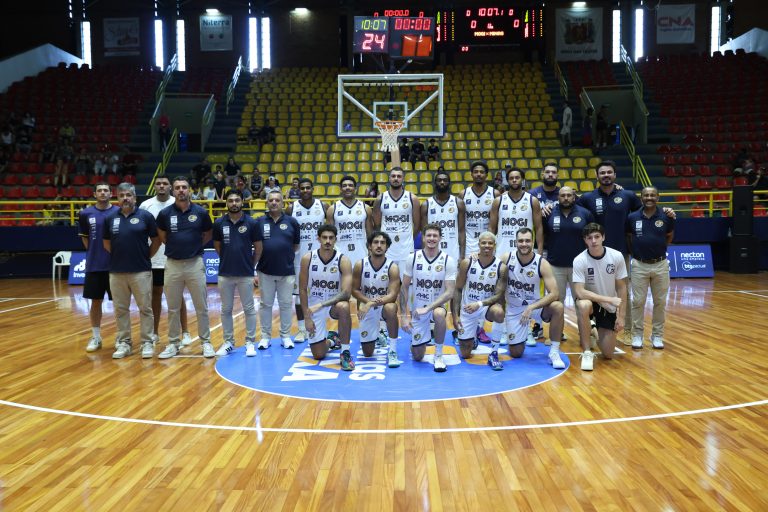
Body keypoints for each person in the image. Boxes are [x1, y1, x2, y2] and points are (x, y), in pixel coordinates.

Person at [577, 160, 642, 341]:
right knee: (591, 292)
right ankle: (590, 328)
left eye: (609, 172)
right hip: (593, 254)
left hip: (620, 253)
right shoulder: (587, 198)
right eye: (602, 173)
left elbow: (644, 213)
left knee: (623, 291)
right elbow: (573, 210)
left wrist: (667, 211)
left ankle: (626, 329)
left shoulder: (627, 196)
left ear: (615, 175)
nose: (606, 175)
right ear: (597, 176)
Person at [155, 176, 214, 359]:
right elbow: (162, 236)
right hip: (173, 264)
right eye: (177, 187)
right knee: (173, 308)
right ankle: (173, 343)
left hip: (195, 264)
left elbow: (208, 233)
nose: (181, 190)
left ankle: (206, 343)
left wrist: (193, 247)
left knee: (201, 307)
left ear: (189, 190)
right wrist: (177, 247)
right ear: (173, 191)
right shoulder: (165, 214)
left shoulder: (201, 212)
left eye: (184, 187)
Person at [102, 183, 160, 359]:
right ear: (117, 198)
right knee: (120, 310)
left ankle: (147, 342)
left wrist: (144, 256)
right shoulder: (110, 218)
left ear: (135, 197)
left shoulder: (146, 216)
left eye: (128, 195)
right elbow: (106, 243)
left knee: (145, 308)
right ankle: (124, 343)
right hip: (116, 272)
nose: (125, 198)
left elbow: (156, 240)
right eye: (121, 195)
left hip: (141, 271)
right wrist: (120, 256)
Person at [139, 175, 192, 347]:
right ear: (154, 186)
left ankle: (185, 332)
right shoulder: (145, 205)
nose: (161, 186)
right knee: (154, 295)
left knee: (178, 297)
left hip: (174, 258)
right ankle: (154, 333)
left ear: (170, 187)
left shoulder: (177, 204)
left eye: (165, 183)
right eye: (158, 183)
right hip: (154, 260)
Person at [501, 228, 566, 368]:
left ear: (532, 242)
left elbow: (555, 293)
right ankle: (523, 332)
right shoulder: (507, 258)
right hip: (514, 308)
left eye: (527, 241)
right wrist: (476, 256)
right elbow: (489, 265)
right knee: (516, 353)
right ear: (516, 242)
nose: (524, 244)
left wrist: (532, 307)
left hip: (535, 307)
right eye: (521, 241)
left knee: (558, 307)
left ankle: (554, 352)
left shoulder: (541, 262)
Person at [401, 223, 457, 372]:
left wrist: (428, 308)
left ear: (440, 238)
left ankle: (438, 355)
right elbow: (404, 287)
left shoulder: (448, 260)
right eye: (429, 235)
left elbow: (450, 292)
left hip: (436, 306)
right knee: (417, 356)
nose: (432, 238)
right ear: (423, 238)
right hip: (417, 309)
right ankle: (419, 340)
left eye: (435, 236)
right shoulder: (413, 258)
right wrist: (404, 316)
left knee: (439, 314)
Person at [572, 223, 628, 371]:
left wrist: (621, 317)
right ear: (585, 240)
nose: (594, 241)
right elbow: (579, 292)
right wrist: (609, 299)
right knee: (583, 305)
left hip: (607, 308)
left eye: (597, 236)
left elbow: (622, 287)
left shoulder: (616, 256)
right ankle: (587, 352)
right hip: (590, 302)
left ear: (603, 237)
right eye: (589, 238)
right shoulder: (579, 260)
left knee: (608, 354)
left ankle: (593, 328)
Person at [299, 224, 354, 370]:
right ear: (318, 239)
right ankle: (332, 340)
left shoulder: (343, 260)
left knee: (344, 306)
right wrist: (306, 317)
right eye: (324, 237)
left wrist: (322, 304)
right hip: (314, 307)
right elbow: (302, 289)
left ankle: (345, 352)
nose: (328, 241)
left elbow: (346, 293)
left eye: (331, 238)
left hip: (332, 305)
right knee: (319, 354)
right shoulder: (307, 258)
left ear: (336, 239)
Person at [626, 187, 674, 349]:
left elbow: (669, 235)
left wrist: (659, 248)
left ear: (658, 198)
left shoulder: (667, 216)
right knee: (638, 301)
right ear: (641, 198)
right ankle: (637, 335)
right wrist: (636, 253)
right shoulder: (632, 217)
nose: (649, 198)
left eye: (652, 195)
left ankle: (657, 335)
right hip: (639, 264)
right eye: (646, 195)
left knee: (660, 302)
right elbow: (629, 237)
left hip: (660, 264)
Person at [213, 189, 259, 356]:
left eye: (237, 200)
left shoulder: (252, 222)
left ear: (242, 202)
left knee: (249, 309)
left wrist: (251, 264)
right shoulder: (219, 222)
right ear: (226, 202)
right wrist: (228, 259)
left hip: (245, 273)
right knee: (226, 309)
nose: (234, 203)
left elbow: (258, 247)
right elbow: (218, 247)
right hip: (225, 273)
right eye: (231, 200)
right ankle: (228, 342)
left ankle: (250, 342)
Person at [254, 190, 301, 352]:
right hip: (265, 271)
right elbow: (256, 246)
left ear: (283, 203)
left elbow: (296, 246)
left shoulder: (292, 222)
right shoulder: (259, 222)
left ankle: (285, 336)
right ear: (267, 203)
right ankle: (265, 337)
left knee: (286, 305)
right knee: (265, 305)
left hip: (286, 271)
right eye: (271, 200)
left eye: (277, 200)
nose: (274, 202)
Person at [451, 232, 507, 368]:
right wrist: (455, 316)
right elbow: (457, 289)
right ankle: (473, 336)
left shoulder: (501, 267)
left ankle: (494, 353)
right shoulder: (467, 263)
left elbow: (499, 295)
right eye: (484, 243)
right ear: (479, 244)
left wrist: (479, 304)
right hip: (468, 308)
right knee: (465, 353)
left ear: (495, 245)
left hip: (486, 307)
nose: (487, 246)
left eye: (490, 243)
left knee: (499, 312)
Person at [372, 148, 420, 307]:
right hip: (388, 250)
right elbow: (377, 225)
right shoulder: (380, 199)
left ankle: (406, 313)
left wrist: (408, 239)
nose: (396, 178)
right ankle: (386, 315)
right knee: (386, 284)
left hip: (406, 249)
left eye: (399, 176)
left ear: (403, 179)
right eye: (393, 176)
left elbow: (417, 225)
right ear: (389, 178)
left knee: (407, 284)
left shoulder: (412, 198)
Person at [286, 178, 328, 343]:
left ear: (313, 189)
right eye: (302, 188)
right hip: (299, 258)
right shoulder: (291, 208)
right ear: (298, 190)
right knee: (299, 296)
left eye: (307, 188)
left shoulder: (323, 206)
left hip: (321, 258)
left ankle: (323, 327)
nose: (305, 191)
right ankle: (302, 329)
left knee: (322, 294)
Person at [351, 231, 402, 368]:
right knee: (367, 353)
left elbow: (392, 295)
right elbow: (354, 290)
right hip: (367, 306)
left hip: (383, 306)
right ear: (369, 246)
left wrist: (370, 303)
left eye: (382, 243)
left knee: (391, 307)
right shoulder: (360, 265)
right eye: (375, 242)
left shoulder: (392, 267)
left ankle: (392, 350)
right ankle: (379, 334)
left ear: (387, 247)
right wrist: (368, 303)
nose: (379, 245)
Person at [79, 183, 119, 352]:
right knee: (96, 302)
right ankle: (96, 337)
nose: (103, 193)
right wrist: (95, 253)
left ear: (111, 193)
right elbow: (85, 238)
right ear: (94, 194)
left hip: (116, 266)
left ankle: (121, 337)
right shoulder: (85, 213)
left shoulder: (118, 212)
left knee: (119, 303)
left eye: (106, 190)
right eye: (100, 191)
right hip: (94, 266)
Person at [544, 186, 595, 306]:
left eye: (569, 195)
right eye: (562, 195)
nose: (566, 198)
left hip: (579, 266)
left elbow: (592, 237)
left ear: (574, 197)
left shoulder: (585, 213)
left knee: (582, 304)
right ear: (558, 197)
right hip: (555, 265)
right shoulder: (549, 213)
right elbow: (543, 235)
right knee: (556, 304)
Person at [489, 167, 544, 258]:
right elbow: (491, 228)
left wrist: (540, 251)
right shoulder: (498, 201)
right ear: (507, 181)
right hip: (502, 251)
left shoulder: (532, 201)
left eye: (517, 178)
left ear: (522, 180)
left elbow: (538, 228)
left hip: (525, 251)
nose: (514, 180)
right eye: (511, 178)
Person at [326, 175, 373, 266]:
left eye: (350, 185)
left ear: (355, 189)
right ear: (340, 189)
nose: (347, 188)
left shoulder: (365, 208)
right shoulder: (332, 209)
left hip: (362, 254)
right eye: (344, 186)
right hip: (339, 255)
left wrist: (371, 251)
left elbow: (370, 234)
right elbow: (329, 235)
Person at [420, 169, 465, 265]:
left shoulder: (458, 203)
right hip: (433, 251)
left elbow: (461, 231)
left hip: (453, 251)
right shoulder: (426, 205)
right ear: (435, 183)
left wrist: (462, 256)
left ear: (449, 183)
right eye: (439, 180)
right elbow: (424, 234)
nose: (442, 182)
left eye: (445, 180)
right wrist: (424, 254)